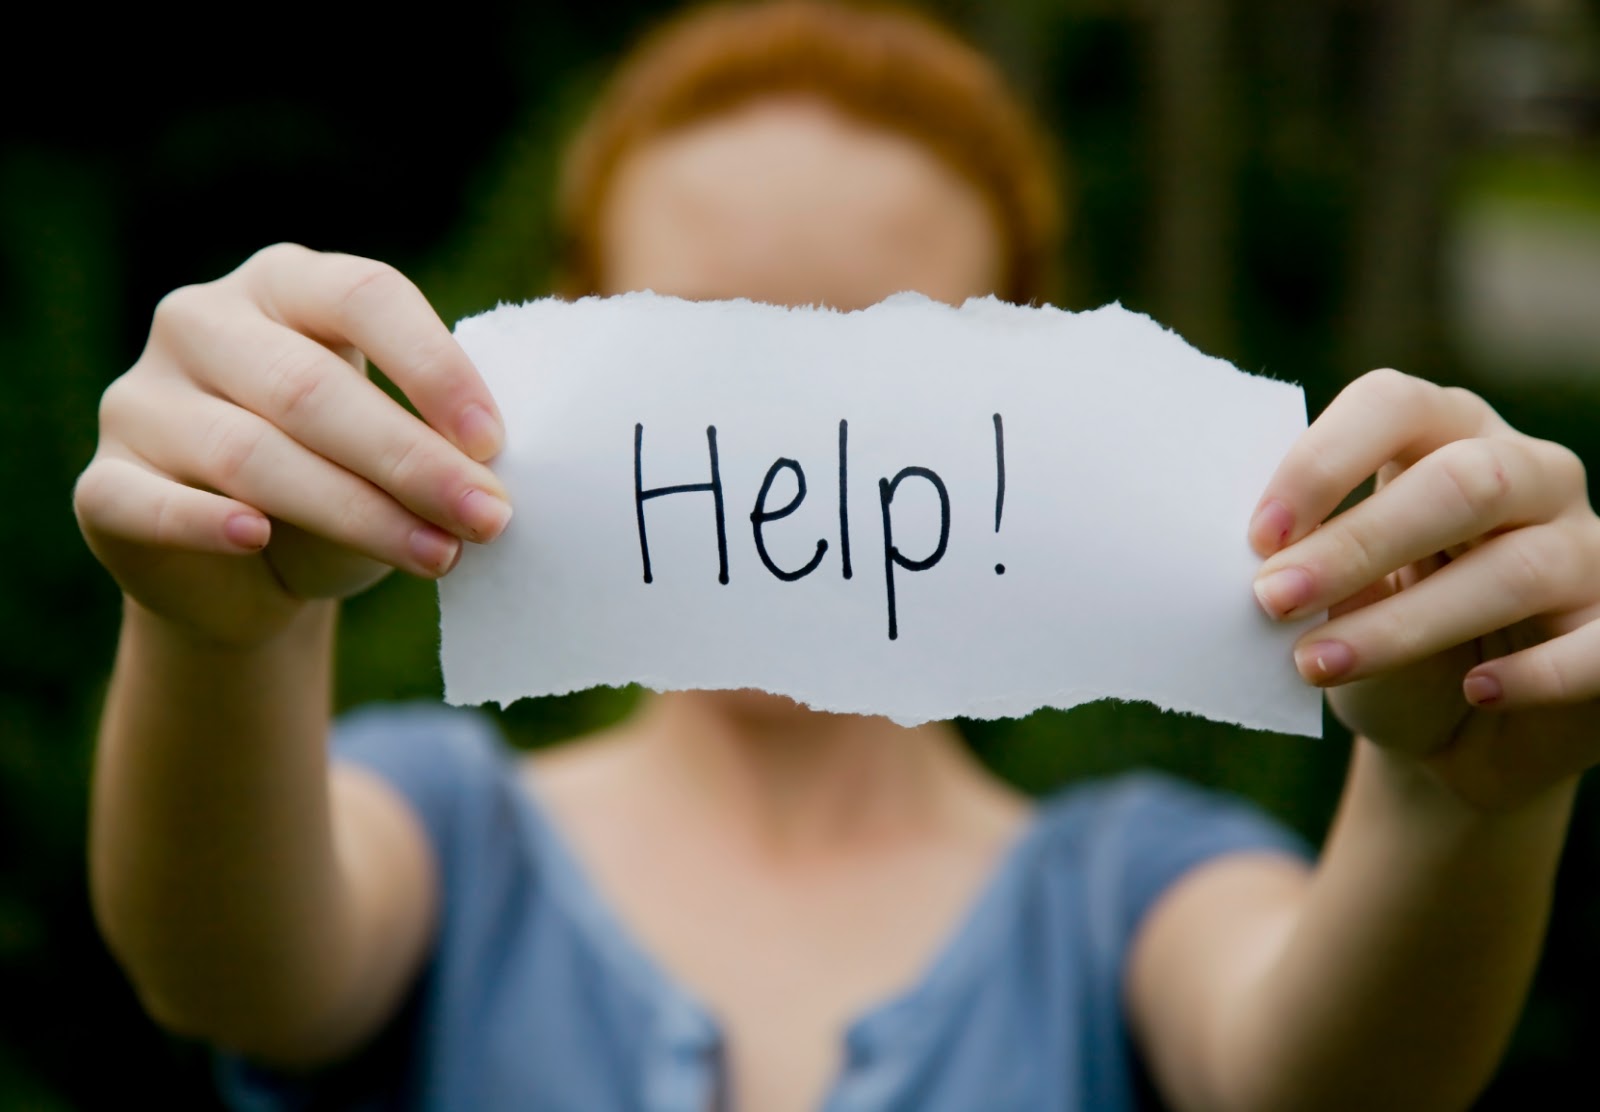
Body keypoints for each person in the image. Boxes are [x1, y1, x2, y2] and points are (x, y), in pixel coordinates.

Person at [74, 2, 1600, 1110]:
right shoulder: (441, 828)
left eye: (883, 358)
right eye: (708, 349)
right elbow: (230, 969)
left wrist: (1459, 798)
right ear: (553, 346)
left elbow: (1329, 1074)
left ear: (1033, 388)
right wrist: (224, 636)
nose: (794, 448)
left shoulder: (1127, 893)